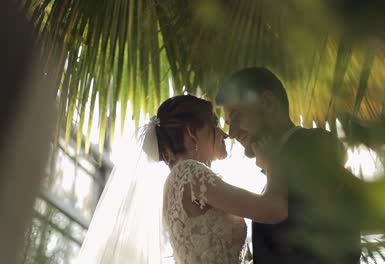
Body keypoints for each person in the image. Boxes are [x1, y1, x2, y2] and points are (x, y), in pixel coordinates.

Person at [78, 94, 287, 264]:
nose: (225, 134)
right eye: (214, 123)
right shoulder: (189, 174)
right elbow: (274, 210)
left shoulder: (178, 183)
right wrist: (273, 163)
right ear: (191, 133)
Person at [216, 67, 362, 263]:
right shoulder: (276, 171)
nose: (232, 133)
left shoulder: (315, 148)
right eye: (227, 123)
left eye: (236, 116)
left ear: (267, 102)